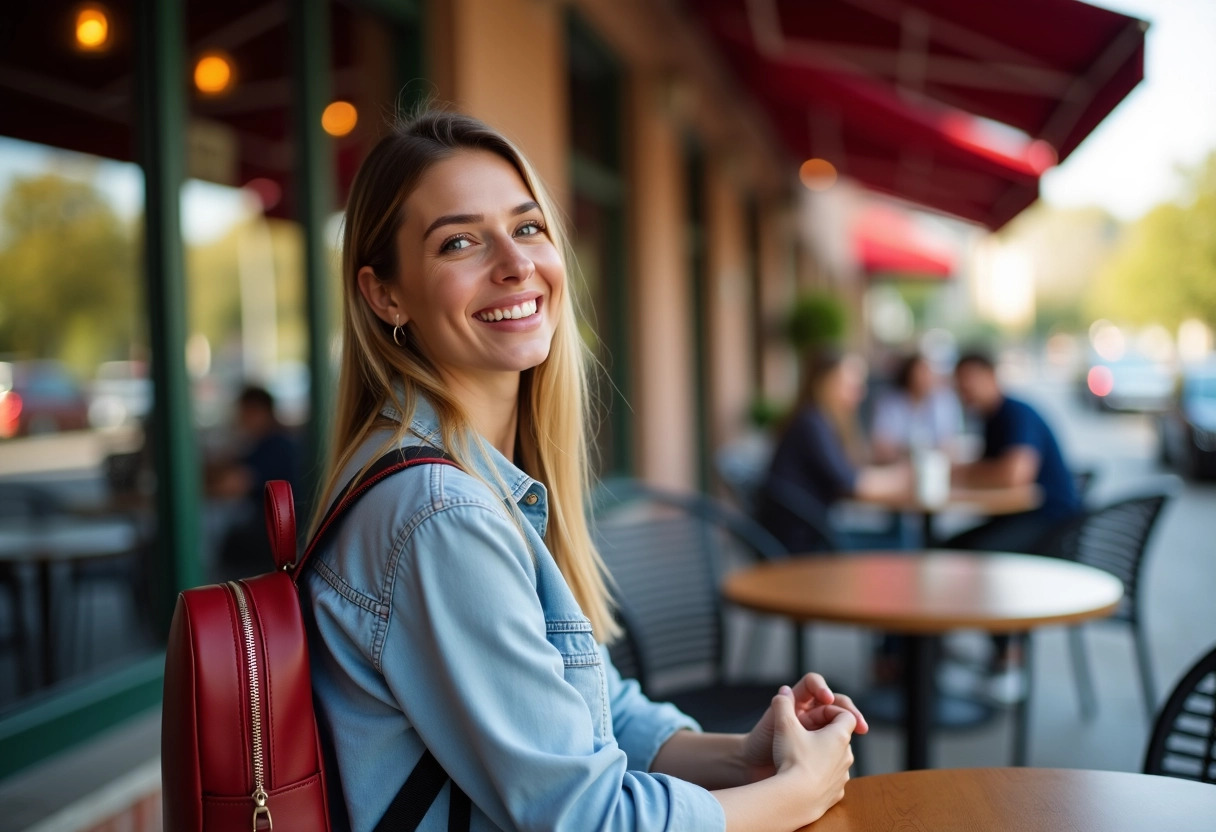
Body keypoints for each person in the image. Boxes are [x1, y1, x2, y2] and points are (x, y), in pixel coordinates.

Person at [300, 110, 866, 832]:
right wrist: (796, 793)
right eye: (460, 241)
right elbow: (587, 819)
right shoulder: (441, 517)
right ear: (386, 295)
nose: (515, 263)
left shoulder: (475, 483)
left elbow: (589, 706)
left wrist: (746, 754)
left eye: (528, 227)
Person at [946, 350, 1082, 696]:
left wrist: (963, 471)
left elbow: (1013, 474)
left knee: (982, 561)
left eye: (970, 383)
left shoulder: (1016, 413)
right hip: (1023, 518)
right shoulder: (992, 418)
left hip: (1055, 526)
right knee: (943, 552)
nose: (965, 392)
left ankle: (1009, 659)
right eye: (959, 386)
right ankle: (932, 654)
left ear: (992, 377)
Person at [758, 350, 911, 554]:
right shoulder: (811, 423)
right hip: (803, 540)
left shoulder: (822, 420)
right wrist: (904, 476)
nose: (860, 392)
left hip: (814, 530)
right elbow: (852, 482)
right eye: (851, 383)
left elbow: (852, 471)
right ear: (826, 383)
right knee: (903, 542)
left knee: (903, 536)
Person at [210, 384, 300, 578]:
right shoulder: (262, 443)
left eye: (244, 413)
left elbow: (232, 486)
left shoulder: (276, 445)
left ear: (259, 412)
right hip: (270, 532)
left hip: (273, 536)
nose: (240, 419)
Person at [870, 353, 962, 464]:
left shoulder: (944, 401)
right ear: (908, 375)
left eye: (929, 372)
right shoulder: (890, 404)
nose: (926, 378)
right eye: (920, 373)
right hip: (898, 467)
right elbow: (882, 447)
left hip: (934, 466)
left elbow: (949, 444)